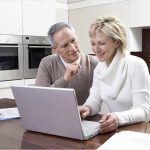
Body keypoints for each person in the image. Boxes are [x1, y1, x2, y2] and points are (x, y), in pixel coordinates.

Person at [80, 15, 150, 133]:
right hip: (117, 130)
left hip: (140, 131)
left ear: (117, 43)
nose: (96, 49)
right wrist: (87, 108)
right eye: (93, 43)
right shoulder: (99, 69)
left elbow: (144, 111)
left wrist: (117, 118)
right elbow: (95, 99)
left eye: (101, 43)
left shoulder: (136, 65)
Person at [35, 22, 98, 105]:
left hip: (85, 116)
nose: (72, 48)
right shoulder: (47, 63)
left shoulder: (94, 63)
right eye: (65, 45)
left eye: (73, 40)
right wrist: (64, 79)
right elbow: (40, 98)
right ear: (55, 49)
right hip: (53, 114)